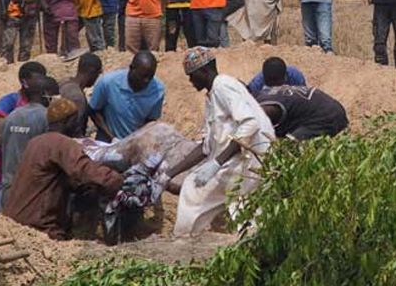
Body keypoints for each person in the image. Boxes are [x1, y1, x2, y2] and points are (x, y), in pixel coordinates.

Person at [169, 47, 275, 236]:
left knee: (193, 189)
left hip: (249, 160)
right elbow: (206, 146)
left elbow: (250, 123)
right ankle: (247, 242)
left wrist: (216, 163)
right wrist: (167, 174)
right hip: (237, 161)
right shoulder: (212, 96)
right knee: (241, 206)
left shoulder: (223, 86)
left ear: (204, 71)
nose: (191, 81)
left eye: (192, 75)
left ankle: (184, 241)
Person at [3, 98, 124, 240]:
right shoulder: (62, 143)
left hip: (16, 219)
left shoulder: (36, 142)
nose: (78, 125)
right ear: (68, 121)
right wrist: (117, 180)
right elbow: (84, 168)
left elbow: (50, 177)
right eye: (75, 120)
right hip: (39, 225)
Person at [0, 61, 48, 212]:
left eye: (44, 78)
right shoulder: (9, 102)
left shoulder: (44, 105)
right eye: (38, 79)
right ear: (24, 82)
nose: (42, 83)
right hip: (5, 172)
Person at [0, 75, 58, 207]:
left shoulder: (12, 116)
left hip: (9, 188)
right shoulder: (46, 117)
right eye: (54, 94)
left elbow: (3, 145)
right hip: (33, 192)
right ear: (45, 94)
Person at [88, 50, 166, 141]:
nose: (146, 81)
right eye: (143, 76)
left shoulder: (157, 91)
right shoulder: (108, 83)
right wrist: (112, 138)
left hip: (134, 145)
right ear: (131, 68)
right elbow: (93, 111)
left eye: (150, 77)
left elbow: (151, 121)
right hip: (108, 143)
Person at [256, 85, 348, 140]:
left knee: (289, 150)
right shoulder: (260, 97)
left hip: (326, 115)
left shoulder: (267, 111)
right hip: (318, 106)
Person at [58, 52, 104, 138]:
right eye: (97, 74)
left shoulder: (64, 82)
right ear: (92, 72)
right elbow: (73, 129)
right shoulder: (77, 97)